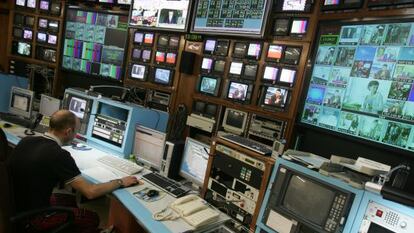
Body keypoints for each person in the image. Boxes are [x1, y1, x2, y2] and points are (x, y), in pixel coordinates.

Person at [8, 110, 141, 233]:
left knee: (69, 200)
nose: (76, 135)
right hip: (33, 219)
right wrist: (120, 181)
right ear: (68, 131)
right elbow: (90, 192)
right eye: (76, 132)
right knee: (91, 217)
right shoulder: (59, 155)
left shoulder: (27, 141)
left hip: (15, 205)